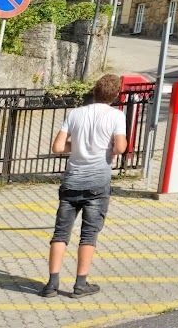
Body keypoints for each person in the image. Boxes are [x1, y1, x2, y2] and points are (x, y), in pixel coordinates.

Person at [40, 74, 128, 298]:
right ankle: (80, 284)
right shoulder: (116, 116)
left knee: (61, 233)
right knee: (88, 234)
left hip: (72, 181)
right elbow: (120, 148)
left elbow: (58, 147)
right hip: (98, 184)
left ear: (94, 91)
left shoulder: (75, 113)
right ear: (115, 94)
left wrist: (77, 143)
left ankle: (51, 283)